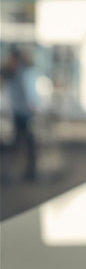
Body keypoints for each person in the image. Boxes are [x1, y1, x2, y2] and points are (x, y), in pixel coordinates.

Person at [1, 46, 38, 181]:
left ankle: (30, 172)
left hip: (26, 114)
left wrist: (33, 107)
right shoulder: (10, 72)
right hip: (18, 113)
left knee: (28, 145)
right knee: (19, 144)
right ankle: (20, 171)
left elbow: (30, 94)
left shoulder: (24, 73)